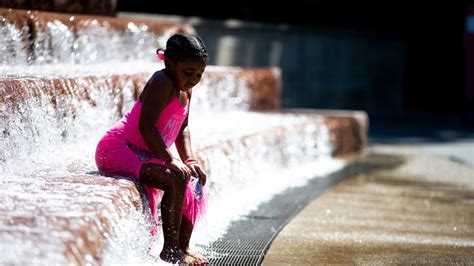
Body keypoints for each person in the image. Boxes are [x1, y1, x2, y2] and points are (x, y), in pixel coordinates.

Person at [95, 33, 209, 265]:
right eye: (188, 72)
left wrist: (189, 160)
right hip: (118, 148)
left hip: (145, 153)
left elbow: (183, 128)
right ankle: (170, 251)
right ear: (169, 63)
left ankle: (183, 246)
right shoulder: (162, 81)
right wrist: (169, 159)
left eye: (199, 74)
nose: (193, 79)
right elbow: (145, 126)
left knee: (195, 180)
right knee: (175, 179)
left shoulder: (186, 89)